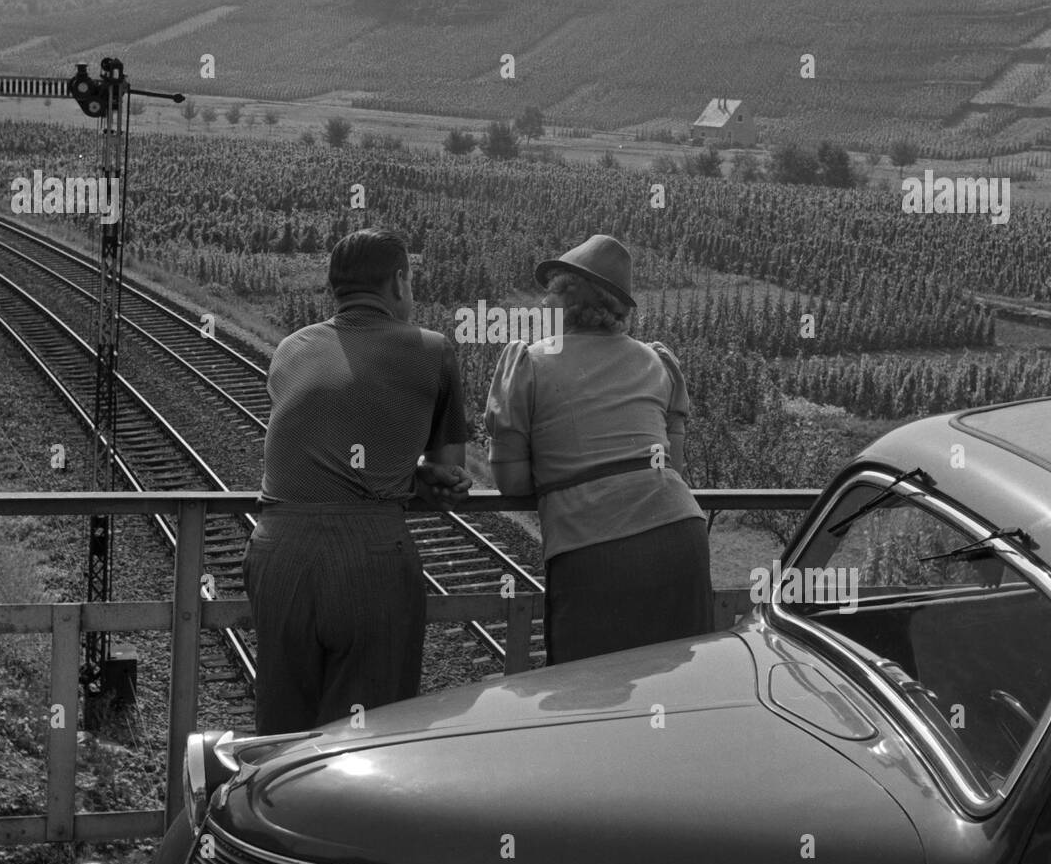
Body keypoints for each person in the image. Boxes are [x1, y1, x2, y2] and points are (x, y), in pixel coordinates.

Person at [243, 228, 471, 733]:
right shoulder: (433, 350)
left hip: (278, 548)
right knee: (371, 735)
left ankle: (278, 807)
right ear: (398, 282)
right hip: (368, 558)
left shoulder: (290, 349)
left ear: (334, 287)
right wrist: (416, 478)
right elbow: (448, 469)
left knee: (282, 728)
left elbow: (317, 442)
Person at [484, 234, 713, 664]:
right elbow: (673, 464)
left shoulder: (529, 363)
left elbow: (511, 480)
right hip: (679, 537)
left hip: (592, 549)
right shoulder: (656, 361)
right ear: (619, 307)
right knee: (675, 688)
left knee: (586, 697)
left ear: (562, 297)